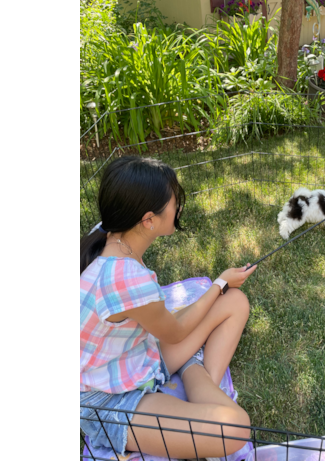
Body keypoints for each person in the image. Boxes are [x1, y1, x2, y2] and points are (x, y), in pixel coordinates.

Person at [80, 156, 257, 458]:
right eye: (175, 202)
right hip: (108, 402)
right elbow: (175, 333)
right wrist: (218, 283)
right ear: (148, 220)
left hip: (138, 356)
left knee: (235, 302)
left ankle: (196, 382)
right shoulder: (125, 278)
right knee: (236, 428)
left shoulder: (110, 235)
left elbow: (166, 327)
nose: (177, 208)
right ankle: (194, 372)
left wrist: (222, 288)